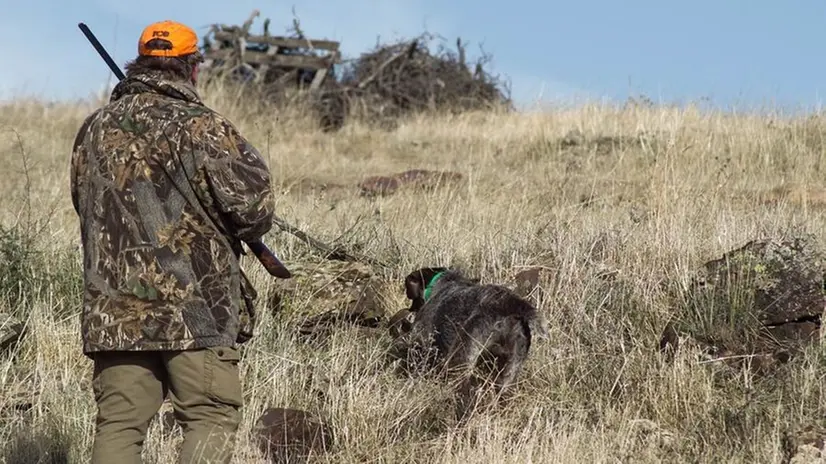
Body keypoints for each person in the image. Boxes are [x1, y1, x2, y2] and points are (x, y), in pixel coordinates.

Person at [70, 19, 275, 463]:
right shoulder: (204, 127)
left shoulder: (93, 129)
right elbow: (254, 211)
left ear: (138, 64)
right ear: (192, 68)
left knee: (119, 425)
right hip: (197, 308)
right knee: (210, 416)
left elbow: (82, 203)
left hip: (115, 308)